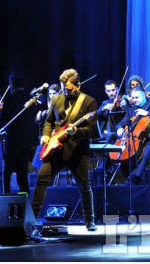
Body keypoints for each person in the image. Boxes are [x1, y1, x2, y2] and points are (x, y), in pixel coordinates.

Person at [31, 69, 99, 231]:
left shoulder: (89, 102)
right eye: (63, 88)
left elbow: (91, 131)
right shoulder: (57, 99)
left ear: (78, 85)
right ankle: (32, 219)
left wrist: (77, 132)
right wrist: (45, 136)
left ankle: (89, 220)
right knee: (41, 180)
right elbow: (48, 121)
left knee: (84, 187)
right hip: (55, 150)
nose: (65, 92)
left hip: (77, 151)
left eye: (68, 89)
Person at [115, 86, 150, 184]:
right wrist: (119, 128)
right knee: (112, 139)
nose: (134, 100)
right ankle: (102, 170)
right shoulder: (132, 110)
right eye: (133, 98)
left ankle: (136, 175)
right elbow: (121, 123)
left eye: (137, 98)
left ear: (143, 95)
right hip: (137, 141)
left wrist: (147, 113)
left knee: (149, 145)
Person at [0, 72, 37, 194]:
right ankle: (24, 201)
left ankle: (5, 197)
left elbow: (4, 120)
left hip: (12, 141)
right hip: (26, 141)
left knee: (7, 172)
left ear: (11, 84)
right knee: (22, 173)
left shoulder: (10, 99)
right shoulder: (30, 99)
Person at [31, 84, 61, 172]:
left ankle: (40, 171)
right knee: (41, 145)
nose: (52, 96)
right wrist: (41, 113)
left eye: (54, 93)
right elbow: (38, 120)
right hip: (48, 135)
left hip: (59, 135)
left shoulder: (62, 105)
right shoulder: (48, 105)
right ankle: (40, 171)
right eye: (50, 94)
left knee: (41, 148)